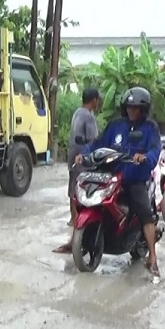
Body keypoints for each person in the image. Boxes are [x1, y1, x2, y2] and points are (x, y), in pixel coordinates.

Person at [83, 87, 163, 277]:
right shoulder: (116, 125)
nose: (131, 111)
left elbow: (155, 149)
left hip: (135, 179)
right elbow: (98, 143)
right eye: (129, 107)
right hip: (113, 175)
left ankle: (152, 258)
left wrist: (145, 157)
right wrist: (84, 154)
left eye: (136, 108)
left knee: (146, 214)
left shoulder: (150, 128)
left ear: (143, 109)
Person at [53, 88, 103, 254]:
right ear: (94, 100)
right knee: (83, 197)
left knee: (73, 195)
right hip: (83, 162)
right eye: (98, 100)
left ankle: (75, 235)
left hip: (72, 160)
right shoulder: (88, 116)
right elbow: (94, 141)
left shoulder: (77, 113)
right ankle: (78, 236)